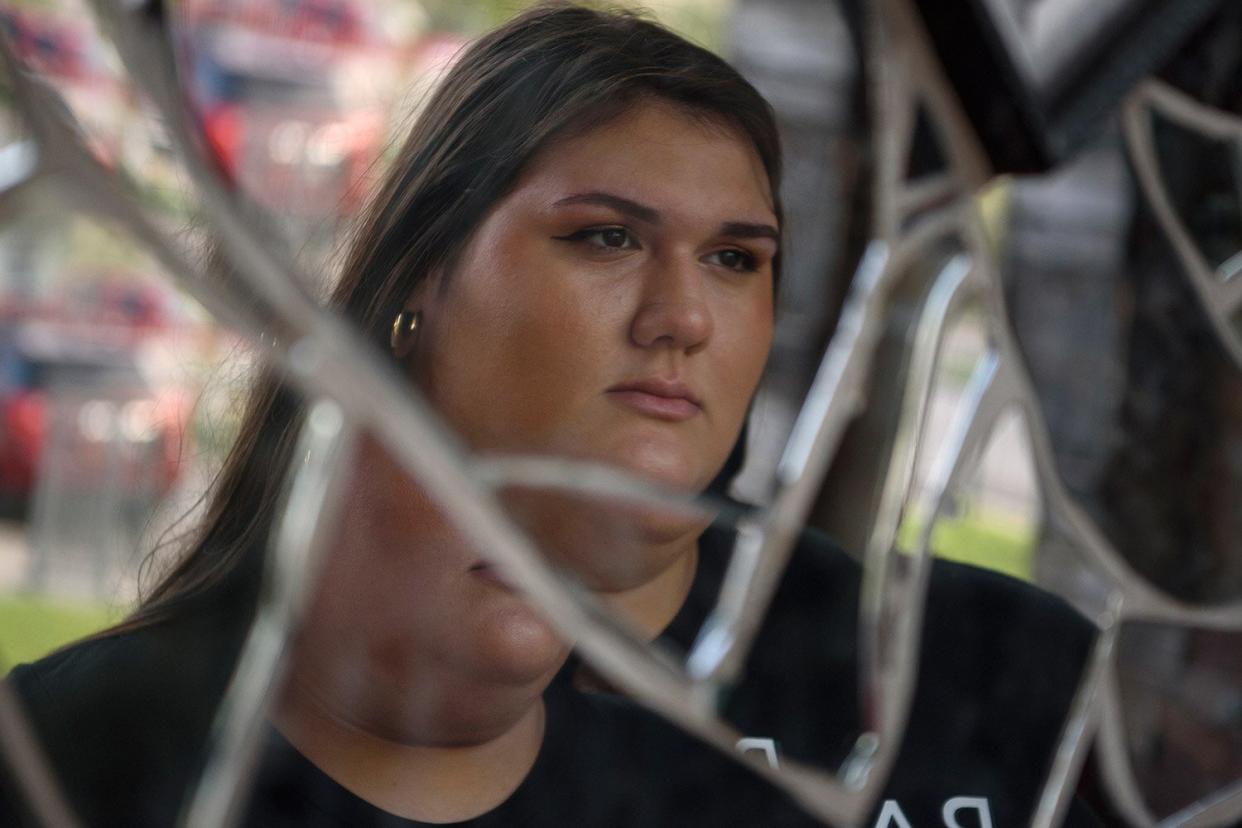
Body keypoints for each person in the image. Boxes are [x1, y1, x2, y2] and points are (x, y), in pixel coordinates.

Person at [0, 4, 1101, 826]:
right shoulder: (100, 747)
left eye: (734, 260)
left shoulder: (995, 669)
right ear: (423, 272)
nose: (683, 317)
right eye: (604, 238)